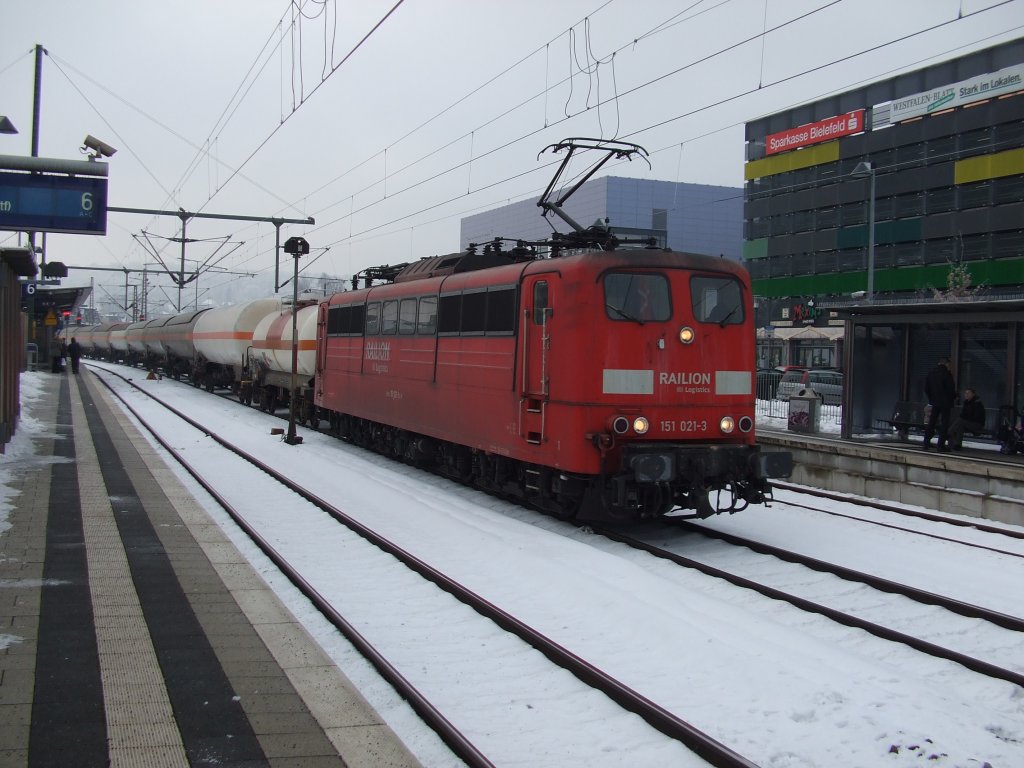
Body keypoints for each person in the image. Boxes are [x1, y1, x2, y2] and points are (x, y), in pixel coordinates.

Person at [923, 357, 956, 452]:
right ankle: (940, 445)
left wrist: (931, 398)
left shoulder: (931, 373)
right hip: (945, 402)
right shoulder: (946, 374)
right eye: (949, 365)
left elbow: (926, 388)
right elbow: (950, 389)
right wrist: (953, 397)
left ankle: (926, 442)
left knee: (931, 422)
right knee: (944, 423)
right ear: (946, 364)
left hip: (934, 401)